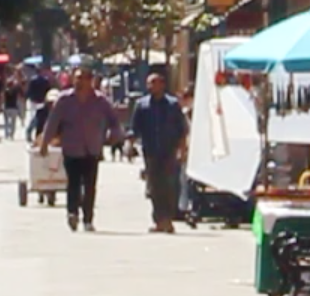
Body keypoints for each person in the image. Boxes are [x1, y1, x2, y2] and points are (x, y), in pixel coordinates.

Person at [37, 67, 122, 233]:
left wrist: (114, 135)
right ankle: (72, 212)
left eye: (82, 78)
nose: (78, 82)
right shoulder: (64, 100)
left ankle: (88, 219)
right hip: (72, 147)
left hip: (92, 148)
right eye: (76, 78)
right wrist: (45, 143)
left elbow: (114, 121)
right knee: (73, 183)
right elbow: (52, 122)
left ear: (90, 81)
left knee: (90, 185)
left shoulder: (101, 101)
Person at [131, 71, 189, 233]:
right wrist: (129, 146)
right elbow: (135, 128)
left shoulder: (172, 105)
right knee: (154, 187)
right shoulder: (141, 105)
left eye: (155, 83)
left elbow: (182, 129)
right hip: (150, 152)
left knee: (169, 186)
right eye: (149, 83)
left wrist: (182, 149)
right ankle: (158, 220)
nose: (151, 86)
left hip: (169, 151)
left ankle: (168, 219)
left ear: (162, 85)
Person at [24, 67, 52, 141]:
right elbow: (48, 90)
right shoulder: (45, 80)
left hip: (33, 101)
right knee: (40, 118)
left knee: (33, 117)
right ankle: (37, 133)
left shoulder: (32, 80)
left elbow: (29, 91)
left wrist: (28, 98)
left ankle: (29, 131)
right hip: (42, 101)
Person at [0, 68, 22, 139]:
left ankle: (6, 134)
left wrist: (1, 106)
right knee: (13, 123)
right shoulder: (15, 90)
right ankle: (12, 135)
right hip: (14, 107)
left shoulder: (5, 91)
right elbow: (18, 98)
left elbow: (2, 99)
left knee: (6, 122)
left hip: (6, 107)